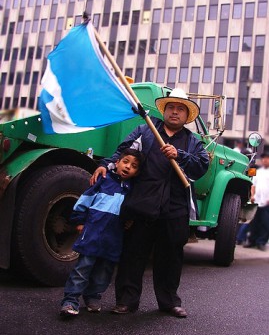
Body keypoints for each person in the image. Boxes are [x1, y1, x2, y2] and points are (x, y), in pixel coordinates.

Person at [90, 88, 209, 318]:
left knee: (171, 258)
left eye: (180, 109)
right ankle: (126, 301)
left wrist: (180, 155)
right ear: (165, 111)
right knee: (133, 255)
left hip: (175, 208)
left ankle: (169, 302)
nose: (175, 112)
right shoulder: (146, 131)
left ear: (187, 116)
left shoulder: (193, 142)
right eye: (171, 108)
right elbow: (124, 152)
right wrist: (107, 164)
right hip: (141, 204)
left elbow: (201, 166)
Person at [60, 148, 144, 317]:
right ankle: (70, 300)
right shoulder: (103, 180)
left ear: (137, 172)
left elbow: (132, 211)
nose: (128, 167)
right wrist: (80, 220)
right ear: (117, 162)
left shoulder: (133, 190)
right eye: (125, 162)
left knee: (104, 270)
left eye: (134, 166)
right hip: (93, 232)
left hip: (114, 237)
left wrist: (130, 221)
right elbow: (85, 200)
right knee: (83, 267)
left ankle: (92, 296)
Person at [243, 151, 269, 251]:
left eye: (267, 158)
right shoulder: (258, 171)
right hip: (256, 201)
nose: (265, 160)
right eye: (263, 158)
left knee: (265, 224)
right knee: (254, 223)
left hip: (266, 202)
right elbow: (253, 185)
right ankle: (252, 241)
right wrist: (252, 196)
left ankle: (261, 242)